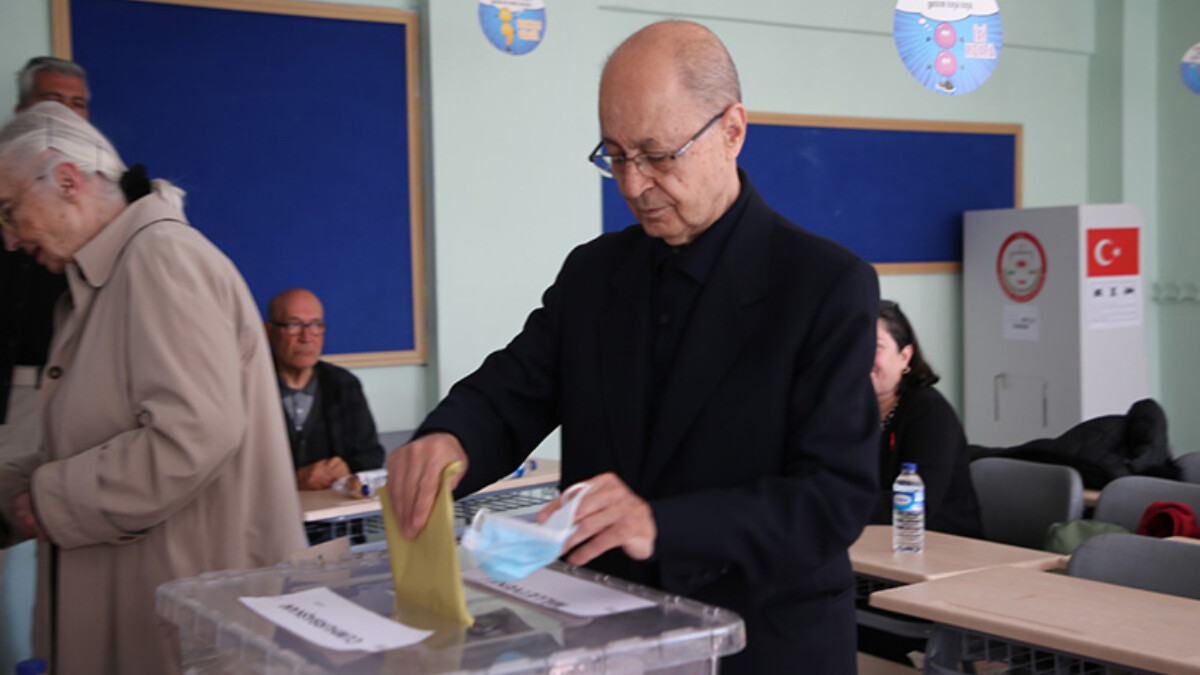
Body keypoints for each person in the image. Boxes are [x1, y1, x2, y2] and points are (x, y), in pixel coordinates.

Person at [387, 21, 880, 674]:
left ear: (732, 129)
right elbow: (512, 392)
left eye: (656, 153)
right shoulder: (595, 274)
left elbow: (831, 498)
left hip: (760, 642)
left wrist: (662, 524)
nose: (631, 184)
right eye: (614, 154)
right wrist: (449, 438)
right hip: (608, 635)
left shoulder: (824, 284)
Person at [0, 101, 305, 674]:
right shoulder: (98, 282)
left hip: (185, 615)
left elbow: (193, 433)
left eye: (9, 211)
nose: (10, 239)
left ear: (67, 181)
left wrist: (52, 499)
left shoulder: (161, 259)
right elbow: (85, 441)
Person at [0, 56, 89, 673]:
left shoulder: (95, 205)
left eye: (79, 105)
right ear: (22, 111)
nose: (66, 113)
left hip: (59, 395)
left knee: (57, 527)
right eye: (54, 100)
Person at [869, 300, 981, 536]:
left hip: (940, 547)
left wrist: (832, 506)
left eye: (875, 346)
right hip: (870, 542)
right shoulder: (845, 408)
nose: (861, 357)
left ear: (905, 356)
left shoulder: (929, 412)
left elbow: (915, 505)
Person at [266, 288, 385, 491]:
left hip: (333, 516)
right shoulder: (247, 387)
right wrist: (293, 481)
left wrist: (347, 467)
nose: (306, 337)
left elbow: (372, 454)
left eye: (315, 325)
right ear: (268, 332)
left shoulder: (344, 384)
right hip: (268, 515)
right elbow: (227, 470)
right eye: (294, 325)